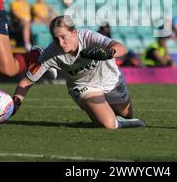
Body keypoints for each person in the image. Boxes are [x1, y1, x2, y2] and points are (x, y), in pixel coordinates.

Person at [11, 16, 145, 130]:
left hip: (109, 78)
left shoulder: (88, 37)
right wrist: (16, 101)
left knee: (127, 115)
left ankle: (115, 116)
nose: (60, 43)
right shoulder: (50, 53)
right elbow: (27, 81)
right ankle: (113, 119)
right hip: (83, 86)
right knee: (108, 124)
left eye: (63, 37)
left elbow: (122, 48)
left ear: (74, 32)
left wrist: (108, 52)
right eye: (55, 39)